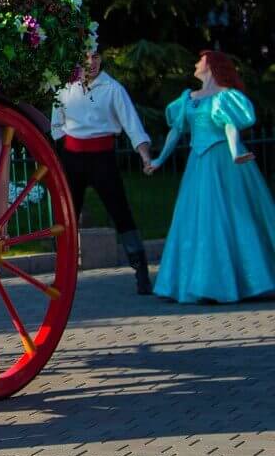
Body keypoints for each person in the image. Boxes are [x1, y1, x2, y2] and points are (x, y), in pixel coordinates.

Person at [150, 51, 275, 304]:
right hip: (198, 164)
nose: (196, 63)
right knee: (197, 219)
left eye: (201, 60)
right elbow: (176, 132)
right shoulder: (189, 98)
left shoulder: (224, 97)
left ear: (211, 65)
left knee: (230, 216)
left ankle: (242, 281)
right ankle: (200, 282)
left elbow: (229, 125)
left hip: (223, 162)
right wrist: (159, 160)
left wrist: (234, 152)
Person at [51, 50, 155, 294]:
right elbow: (56, 124)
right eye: (87, 57)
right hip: (72, 158)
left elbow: (133, 125)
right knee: (66, 217)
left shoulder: (113, 88)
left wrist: (145, 156)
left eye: (96, 56)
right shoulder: (64, 88)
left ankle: (141, 270)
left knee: (121, 213)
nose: (92, 62)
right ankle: (63, 275)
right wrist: (63, 150)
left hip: (102, 158)